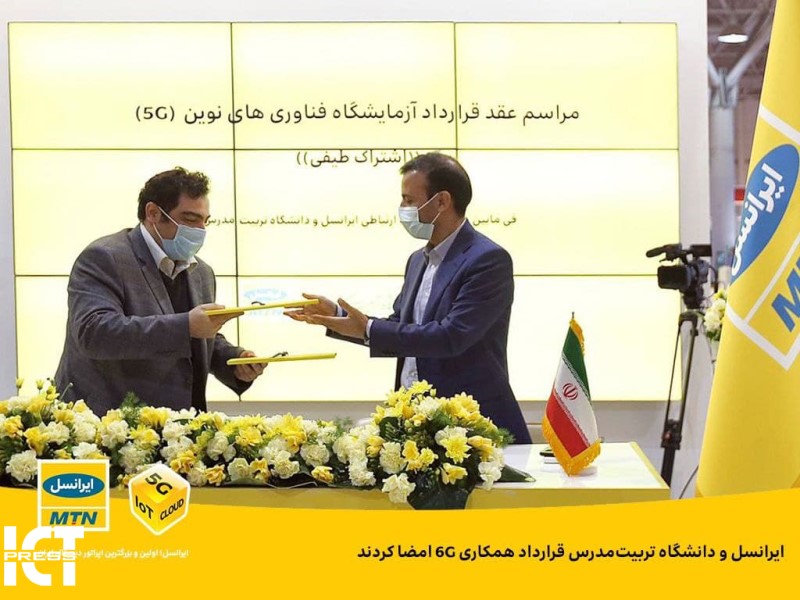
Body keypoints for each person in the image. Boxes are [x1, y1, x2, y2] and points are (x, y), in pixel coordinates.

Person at [286, 152, 531, 443]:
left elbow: (451, 336)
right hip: (416, 425)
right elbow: (402, 328)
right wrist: (339, 317)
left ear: (442, 201)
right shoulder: (417, 260)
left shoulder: (487, 259)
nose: (402, 209)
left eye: (409, 200)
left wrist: (368, 328)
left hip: (472, 429)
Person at [55, 167, 264, 415]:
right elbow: (94, 332)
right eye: (190, 219)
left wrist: (233, 361)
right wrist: (186, 326)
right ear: (153, 213)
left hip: (179, 427)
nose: (200, 230)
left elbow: (196, 335)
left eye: (205, 221)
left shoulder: (201, 272)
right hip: (110, 423)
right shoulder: (104, 257)